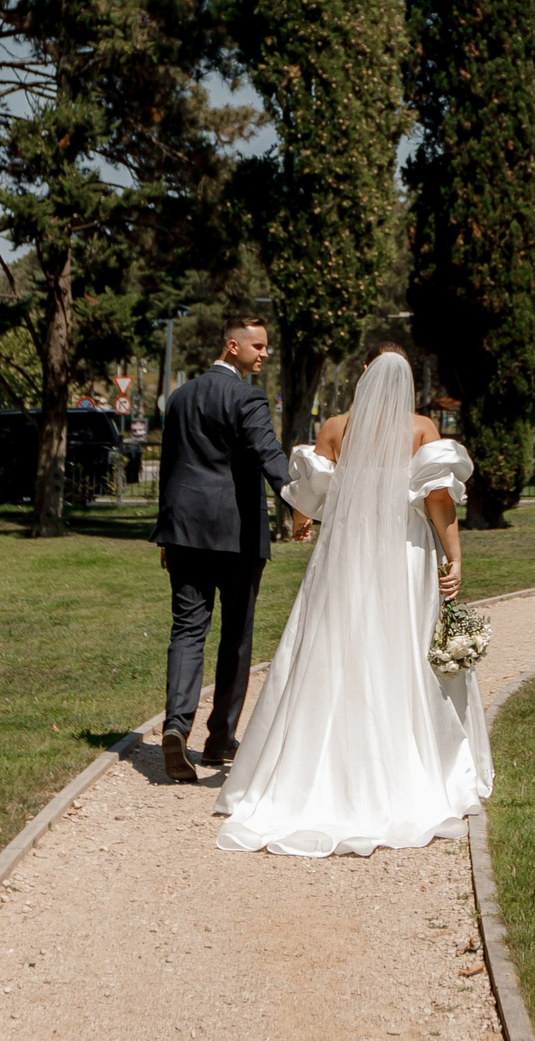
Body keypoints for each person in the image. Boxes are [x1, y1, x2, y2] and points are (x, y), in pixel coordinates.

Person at [213, 346, 493, 856]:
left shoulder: (336, 428)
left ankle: (310, 772)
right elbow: (438, 500)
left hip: (344, 555)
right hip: (403, 556)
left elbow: (311, 496)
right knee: (401, 649)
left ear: (365, 376)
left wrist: (300, 524)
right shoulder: (421, 430)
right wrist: (454, 558)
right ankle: (409, 769)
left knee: (332, 645)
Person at [153, 315, 308, 783]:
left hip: (183, 533)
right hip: (236, 536)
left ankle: (176, 725)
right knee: (236, 636)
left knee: (187, 630)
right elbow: (269, 455)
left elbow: (170, 465)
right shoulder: (247, 396)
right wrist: (299, 503)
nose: (264, 354)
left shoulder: (179, 398)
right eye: (257, 346)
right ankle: (219, 738)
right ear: (232, 345)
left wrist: (167, 531)